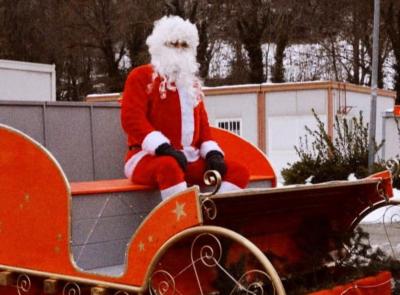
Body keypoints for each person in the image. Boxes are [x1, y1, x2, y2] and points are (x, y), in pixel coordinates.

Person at [121, 15, 249, 200]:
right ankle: (183, 224)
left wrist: (212, 153)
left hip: (188, 158)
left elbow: (203, 126)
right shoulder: (141, 76)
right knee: (168, 167)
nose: (179, 50)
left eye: (184, 45)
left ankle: (214, 218)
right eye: (174, 44)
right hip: (146, 157)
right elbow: (132, 119)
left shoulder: (191, 83)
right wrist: (163, 148)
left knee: (238, 171)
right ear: (160, 46)